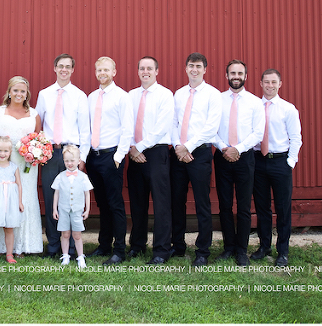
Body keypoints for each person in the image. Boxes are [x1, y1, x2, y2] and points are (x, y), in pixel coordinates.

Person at [0, 76, 42, 256]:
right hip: (1, 164)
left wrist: (35, 153)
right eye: (15, 90)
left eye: (22, 91)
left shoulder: (34, 114)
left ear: (27, 94)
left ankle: (22, 245)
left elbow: (39, 141)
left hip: (26, 166)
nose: (19, 94)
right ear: (9, 92)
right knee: (0, 201)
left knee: (23, 200)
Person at [35, 53, 90, 258]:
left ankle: (74, 247)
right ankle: (53, 245)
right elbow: (38, 125)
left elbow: (85, 130)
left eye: (68, 66)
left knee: (72, 199)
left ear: (73, 70)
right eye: (60, 66)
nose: (64, 69)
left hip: (71, 152)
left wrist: (81, 157)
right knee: (52, 199)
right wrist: (38, 151)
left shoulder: (79, 95)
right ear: (55, 68)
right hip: (50, 152)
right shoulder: (45, 94)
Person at [171, 52, 222, 267]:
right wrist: (178, 147)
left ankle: (202, 251)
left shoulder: (213, 94)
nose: (194, 69)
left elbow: (212, 126)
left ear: (205, 69)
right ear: (186, 68)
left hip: (199, 153)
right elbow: (172, 123)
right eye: (191, 65)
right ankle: (178, 245)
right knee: (177, 201)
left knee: (202, 202)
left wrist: (188, 147)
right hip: (178, 155)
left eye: (198, 66)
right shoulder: (179, 94)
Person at [212, 59, 265, 266]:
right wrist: (224, 148)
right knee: (224, 205)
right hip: (222, 156)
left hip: (245, 158)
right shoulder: (218, 99)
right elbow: (211, 128)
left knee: (243, 206)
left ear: (245, 76)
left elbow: (258, 133)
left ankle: (242, 250)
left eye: (239, 73)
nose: (236, 76)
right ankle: (228, 247)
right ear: (226, 76)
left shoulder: (254, 102)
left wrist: (238, 149)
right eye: (232, 73)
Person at [251, 68, 302, 267]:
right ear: (261, 83)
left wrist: (290, 162)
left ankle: (283, 251)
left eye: (274, 82)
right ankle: (264, 247)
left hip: (280, 162)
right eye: (266, 82)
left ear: (280, 84)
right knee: (262, 208)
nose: (270, 86)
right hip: (258, 161)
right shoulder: (255, 106)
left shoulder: (288, 109)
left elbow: (296, 138)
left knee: (282, 209)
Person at [126, 56, 174, 264]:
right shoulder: (131, 95)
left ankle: (162, 250)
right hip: (134, 153)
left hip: (156, 152)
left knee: (161, 204)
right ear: (138, 72)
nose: (145, 71)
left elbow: (162, 127)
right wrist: (131, 148)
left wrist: (139, 147)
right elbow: (126, 124)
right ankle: (137, 245)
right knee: (137, 202)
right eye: (142, 68)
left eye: (149, 68)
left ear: (156, 71)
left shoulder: (165, 95)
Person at [86, 56, 133, 265]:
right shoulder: (91, 97)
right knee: (102, 204)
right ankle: (104, 246)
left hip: (111, 156)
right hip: (93, 157)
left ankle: (119, 250)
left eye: (106, 70)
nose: (102, 73)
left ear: (114, 72)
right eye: (99, 70)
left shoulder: (122, 97)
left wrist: (118, 156)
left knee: (115, 205)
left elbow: (127, 128)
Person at [51, 145, 92, 268]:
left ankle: (80, 257)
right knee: (65, 234)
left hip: (77, 210)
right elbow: (56, 193)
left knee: (77, 235)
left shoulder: (83, 177)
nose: (69, 163)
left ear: (79, 161)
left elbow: (87, 193)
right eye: (67, 161)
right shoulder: (60, 176)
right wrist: (55, 209)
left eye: (72, 160)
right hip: (63, 210)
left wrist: (87, 209)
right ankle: (65, 256)